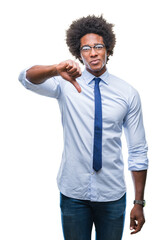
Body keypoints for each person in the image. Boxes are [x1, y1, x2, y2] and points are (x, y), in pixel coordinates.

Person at [18, 15, 148, 240]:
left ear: (108, 48)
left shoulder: (128, 94)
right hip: (73, 193)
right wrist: (55, 69)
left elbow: (138, 150)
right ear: (79, 53)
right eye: (86, 48)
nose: (93, 53)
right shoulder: (65, 84)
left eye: (98, 46)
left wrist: (139, 202)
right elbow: (26, 79)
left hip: (112, 195)